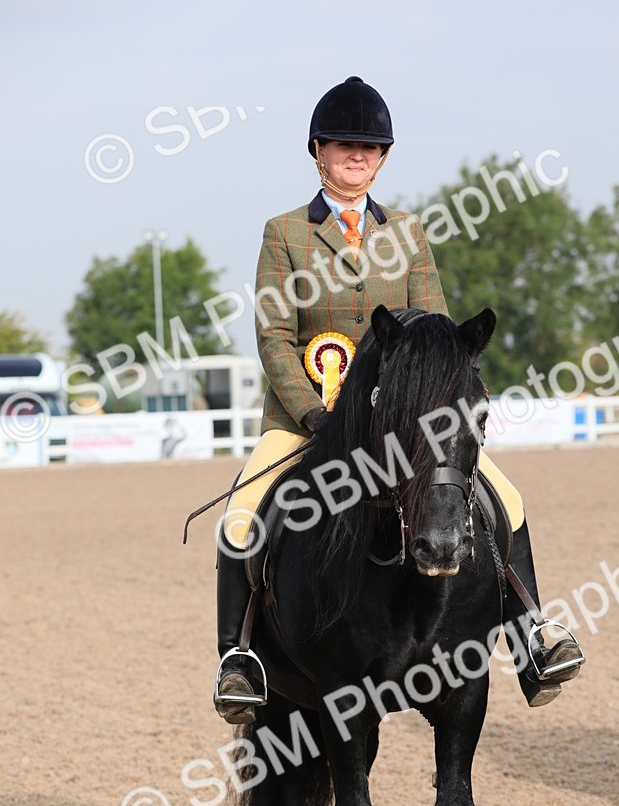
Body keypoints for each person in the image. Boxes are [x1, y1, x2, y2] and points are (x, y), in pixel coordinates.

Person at [214, 77, 583, 725]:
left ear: (382, 157)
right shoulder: (285, 233)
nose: (357, 155)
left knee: (507, 499)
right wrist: (314, 413)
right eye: (344, 145)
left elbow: (436, 329)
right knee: (242, 515)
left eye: (369, 147)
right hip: (308, 419)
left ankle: (532, 637)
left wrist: (445, 396)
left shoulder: (408, 232)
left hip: (403, 424)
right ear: (319, 151)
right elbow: (274, 337)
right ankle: (239, 659)